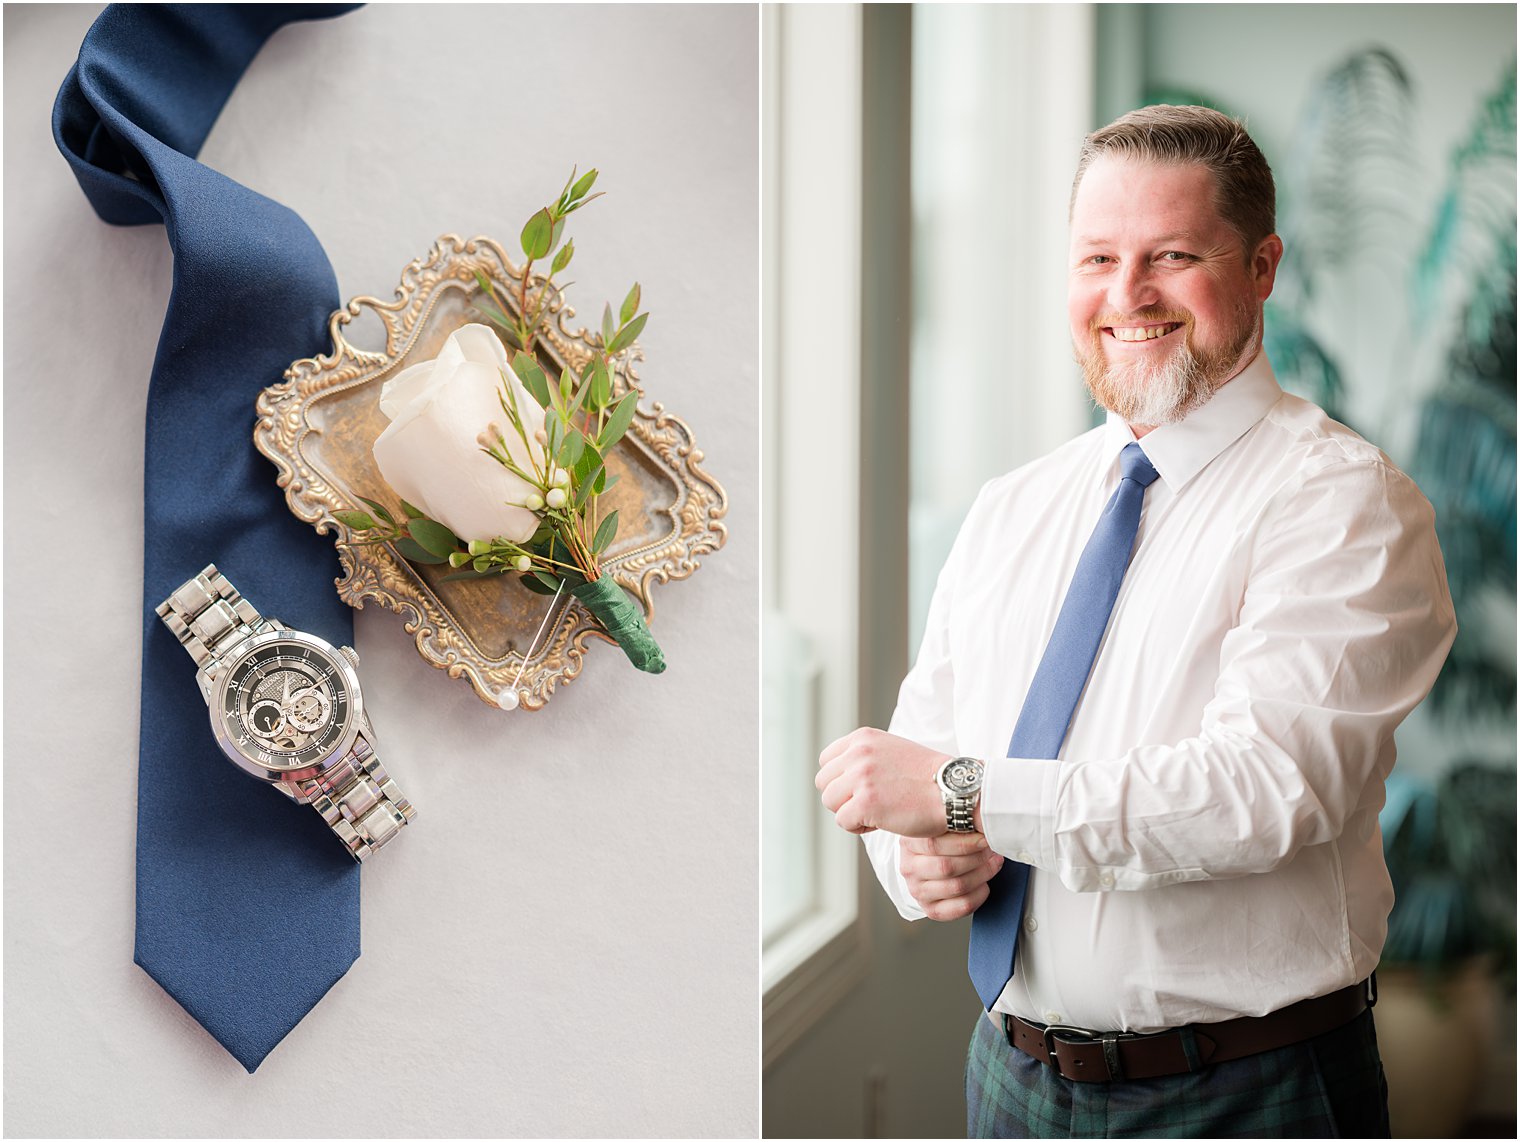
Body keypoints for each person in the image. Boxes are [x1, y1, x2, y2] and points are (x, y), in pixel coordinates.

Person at [814, 105, 1456, 1139]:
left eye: (1170, 255)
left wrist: (961, 794)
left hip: (1243, 1091)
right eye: (1096, 257)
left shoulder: (1341, 500)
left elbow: (1259, 789)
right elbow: (926, 755)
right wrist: (917, 854)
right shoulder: (1009, 506)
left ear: (1260, 267)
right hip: (1009, 1074)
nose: (1126, 295)